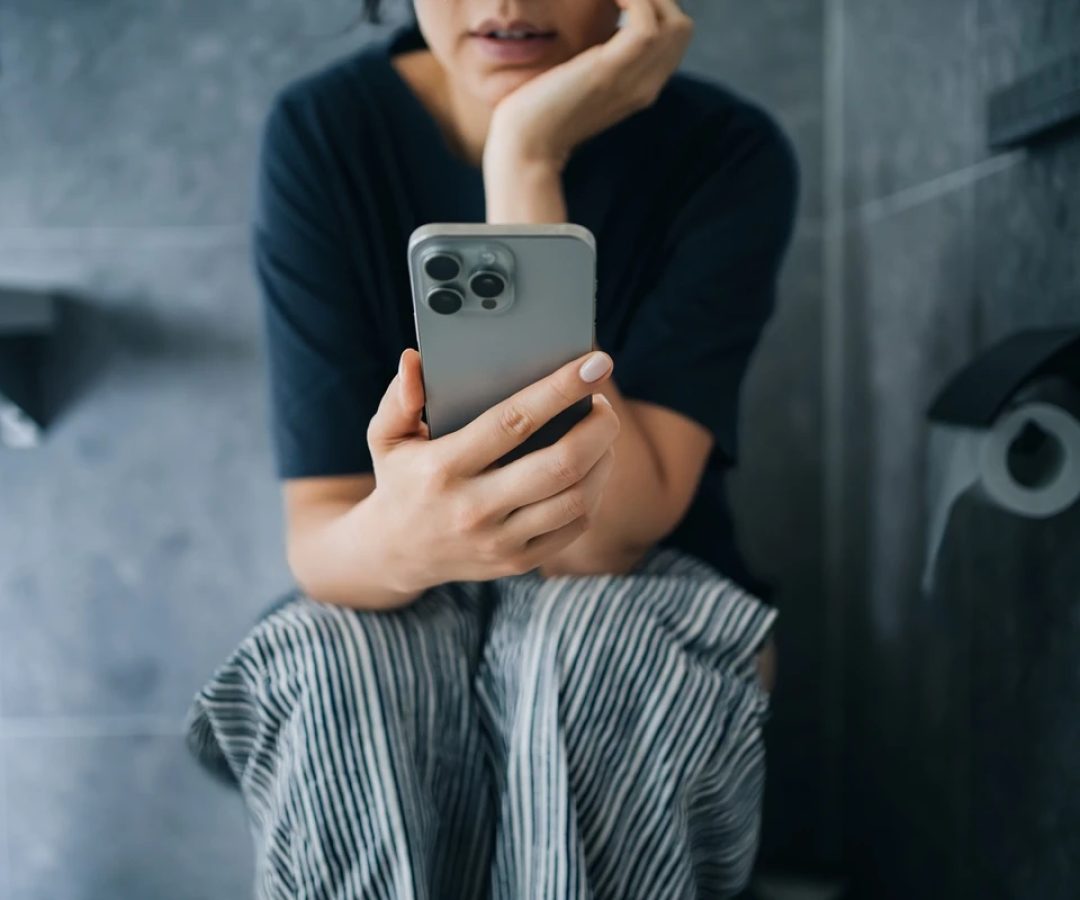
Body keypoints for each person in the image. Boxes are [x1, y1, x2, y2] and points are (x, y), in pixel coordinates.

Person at [186, 1, 799, 897]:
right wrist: (407, 536)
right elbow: (321, 539)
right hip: (401, 588)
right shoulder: (328, 131)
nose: (506, 2)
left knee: (594, 651)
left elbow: (599, 543)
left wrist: (524, 159)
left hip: (632, 585)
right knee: (331, 664)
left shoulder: (726, 151)